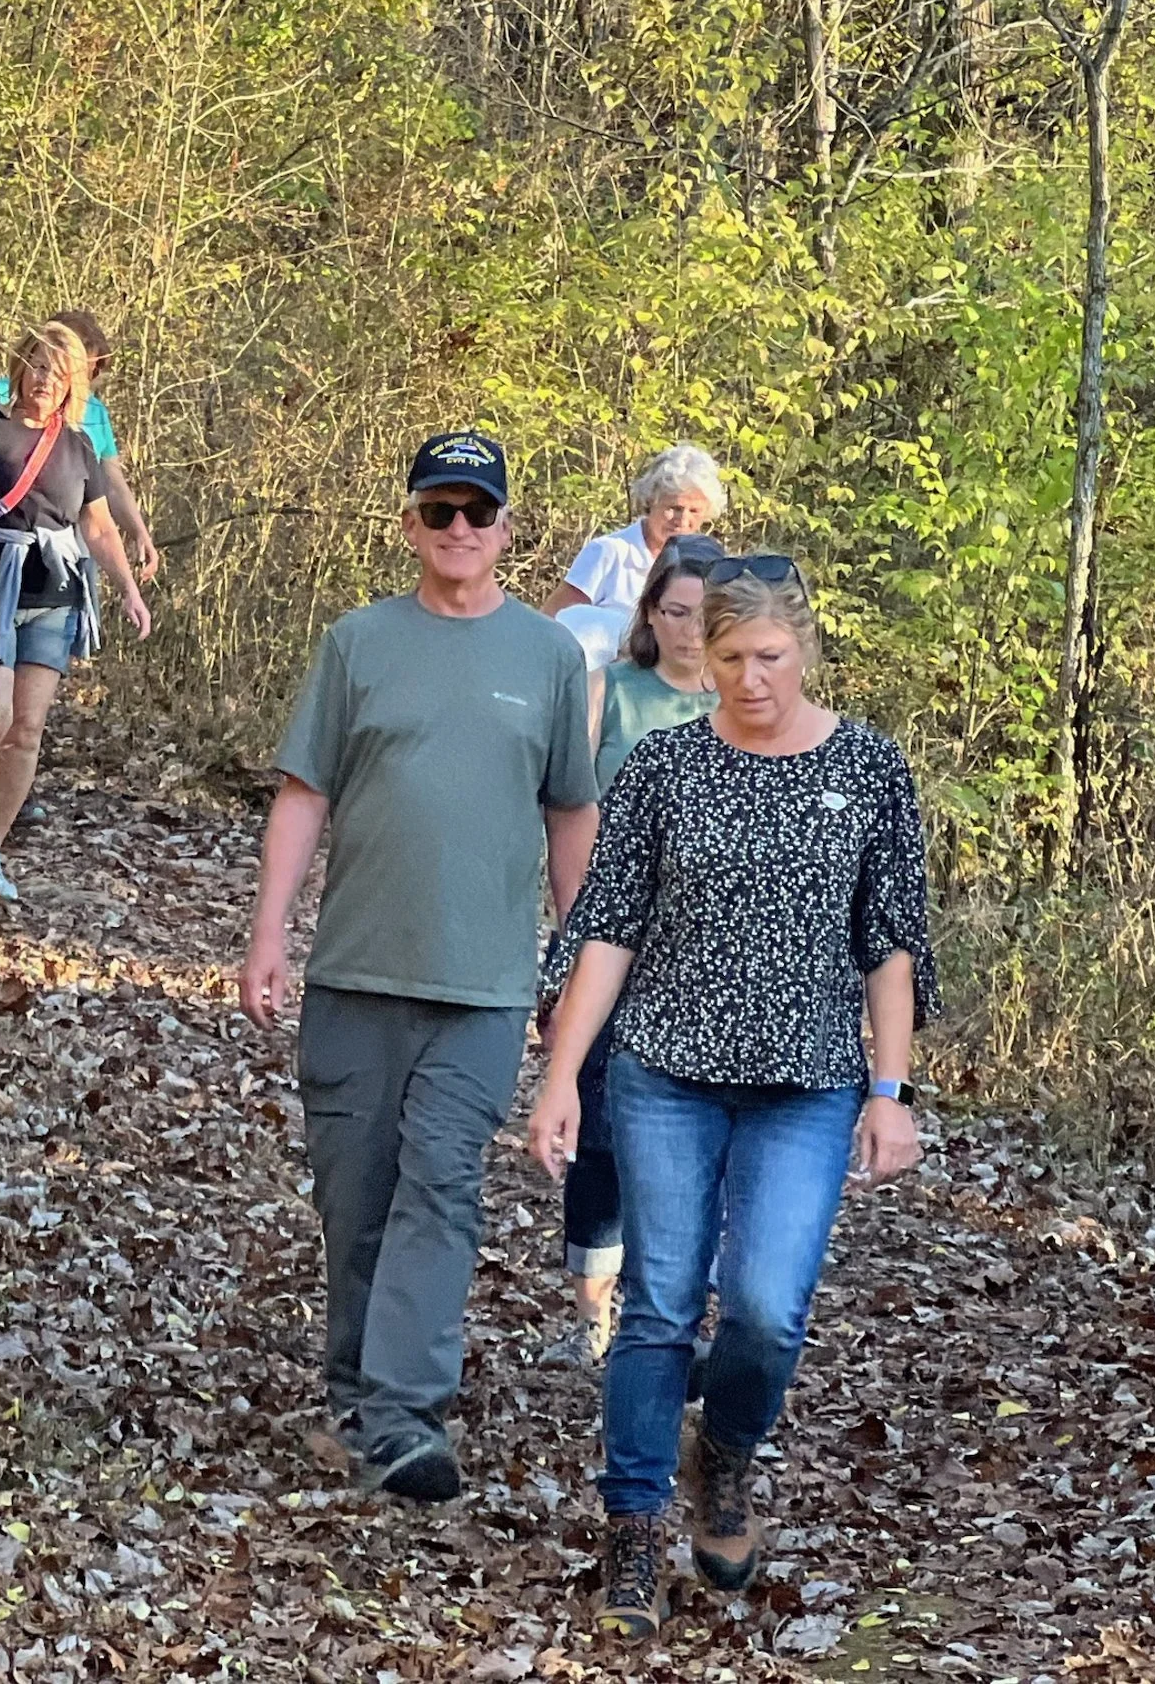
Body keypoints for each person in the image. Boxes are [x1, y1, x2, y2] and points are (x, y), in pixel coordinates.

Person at [528, 559, 934, 1643]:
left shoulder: (869, 768)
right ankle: (630, 1526)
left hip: (804, 1085)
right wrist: (564, 1073)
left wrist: (888, 1093)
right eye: (728, 660)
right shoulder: (665, 766)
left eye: (769, 657)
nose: (750, 680)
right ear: (698, 660)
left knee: (764, 1309)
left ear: (803, 649)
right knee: (658, 1303)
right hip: (662, 1071)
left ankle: (729, 1451)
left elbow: (891, 942)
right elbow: (605, 928)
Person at [240, 431, 599, 1507]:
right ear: (408, 524)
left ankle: (404, 1412)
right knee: (357, 1197)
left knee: (440, 1187)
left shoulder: (547, 659)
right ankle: (358, 1390)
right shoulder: (358, 643)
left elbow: (570, 813)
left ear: (504, 530)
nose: (458, 531)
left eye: (476, 514)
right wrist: (270, 932)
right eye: (438, 511)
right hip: (354, 972)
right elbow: (304, 794)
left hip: (483, 988)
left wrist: (571, 972)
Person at [544, 535, 724, 1372]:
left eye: (705, 614)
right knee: (603, 1128)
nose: (690, 630)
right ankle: (592, 1310)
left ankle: (670, 1312)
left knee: (692, 1138)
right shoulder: (606, 691)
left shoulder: (743, 706)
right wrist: (576, 931)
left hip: (712, 959)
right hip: (610, 944)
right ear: (650, 610)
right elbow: (567, 814)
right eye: (675, 610)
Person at [0, 322, 151, 903]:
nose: (45, 379)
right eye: (38, 365)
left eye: (58, 371)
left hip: (52, 595)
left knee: (25, 731)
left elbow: (96, 526)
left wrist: (127, 588)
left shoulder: (79, 448)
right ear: (20, 367)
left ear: (75, 384)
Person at [0, 307, 159, 584]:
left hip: (70, 547)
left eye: (91, 370)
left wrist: (139, 532)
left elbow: (110, 481)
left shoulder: (95, 412)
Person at [552, 447, 726, 672]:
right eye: (674, 508)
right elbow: (553, 623)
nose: (683, 520)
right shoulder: (608, 552)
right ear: (651, 501)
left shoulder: (709, 565)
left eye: (694, 511)